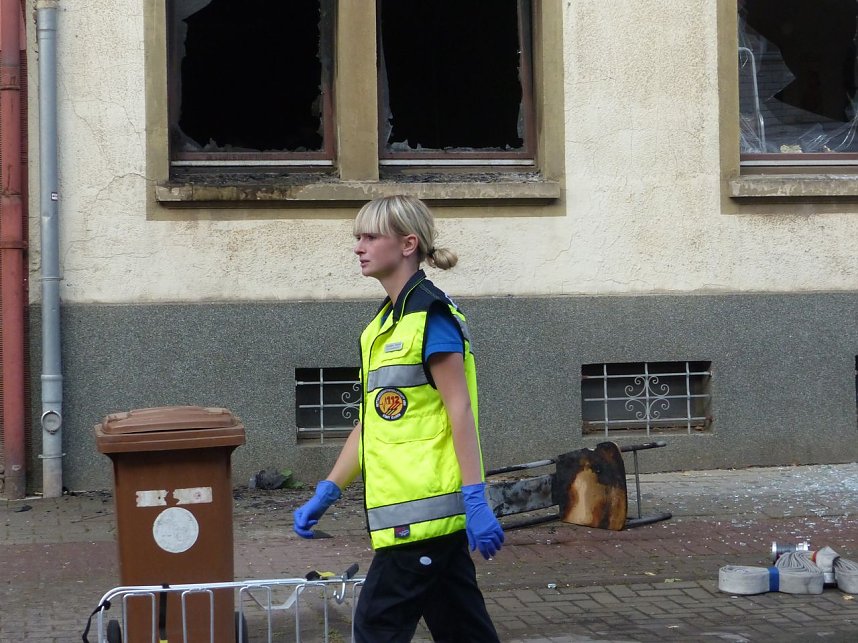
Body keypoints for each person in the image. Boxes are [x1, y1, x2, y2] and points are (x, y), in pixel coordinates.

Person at [293, 194, 504, 642]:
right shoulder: (383, 325)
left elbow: (460, 411)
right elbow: (374, 422)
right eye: (357, 237)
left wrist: (476, 499)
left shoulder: (431, 317)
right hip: (419, 518)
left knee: (375, 628)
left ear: (408, 244)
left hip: (424, 518)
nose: (359, 247)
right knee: (464, 632)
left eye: (370, 236)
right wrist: (328, 490)